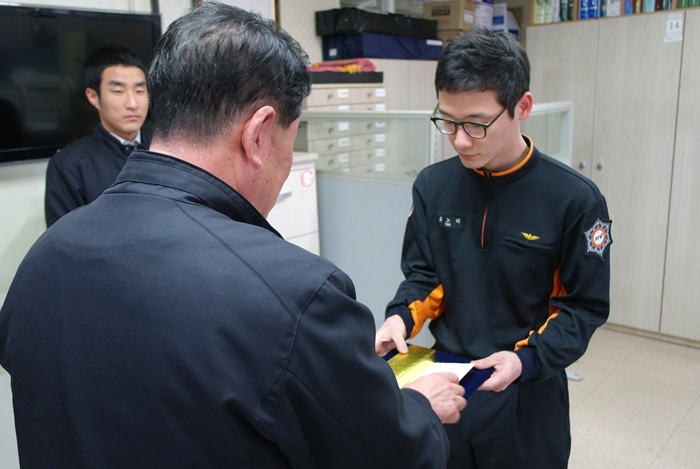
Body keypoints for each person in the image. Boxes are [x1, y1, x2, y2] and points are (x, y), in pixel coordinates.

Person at [0, 3, 466, 468]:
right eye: (290, 141)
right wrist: (421, 407)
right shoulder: (294, 294)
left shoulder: (43, 259)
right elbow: (394, 457)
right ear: (258, 134)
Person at [375, 29, 612, 469]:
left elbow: (583, 308)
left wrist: (527, 360)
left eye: (477, 124)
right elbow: (426, 276)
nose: (460, 140)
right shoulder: (433, 185)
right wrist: (400, 318)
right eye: (448, 121)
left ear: (523, 106)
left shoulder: (573, 199)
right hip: (447, 381)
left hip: (527, 388)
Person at [44, 42, 150, 227]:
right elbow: (63, 238)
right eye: (118, 91)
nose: (133, 103)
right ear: (93, 96)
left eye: (140, 91)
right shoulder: (68, 166)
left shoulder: (166, 152)